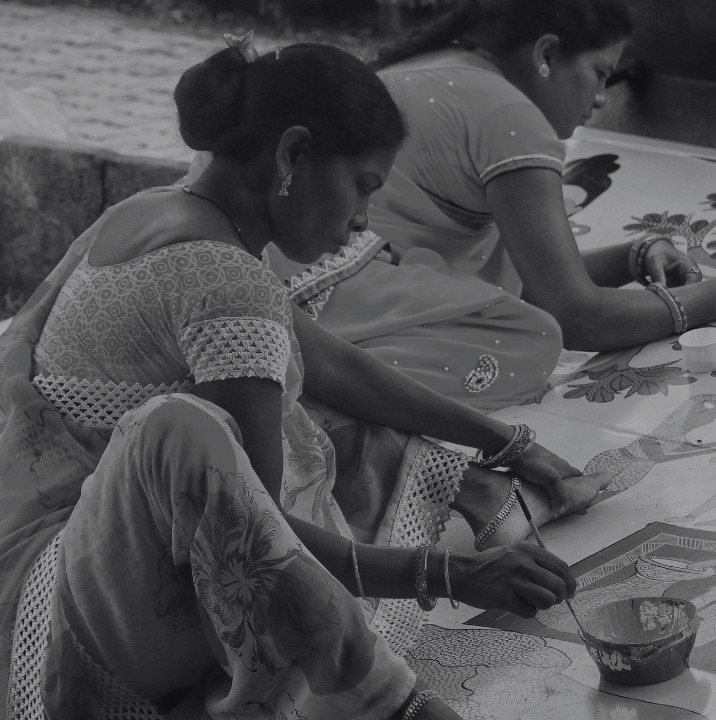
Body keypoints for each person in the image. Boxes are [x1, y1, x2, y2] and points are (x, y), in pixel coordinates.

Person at [0, 36, 602, 720]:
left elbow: (332, 364)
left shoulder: (153, 211)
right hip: (87, 603)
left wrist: (505, 440)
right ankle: (386, 703)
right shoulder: (228, 281)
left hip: (44, 548)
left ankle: (474, 486)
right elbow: (262, 540)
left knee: (299, 402)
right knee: (198, 431)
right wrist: (450, 575)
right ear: (292, 155)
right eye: (362, 187)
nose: (362, 222)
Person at [263, 0, 716, 411]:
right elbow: (576, 317)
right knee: (528, 339)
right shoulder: (510, 116)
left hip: (292, 273)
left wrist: (633, 256)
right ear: (545, 55)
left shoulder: (442, 65)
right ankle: (334, 386)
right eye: (599, 73)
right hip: (337, 293)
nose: (600, 98)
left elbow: (525, 278)